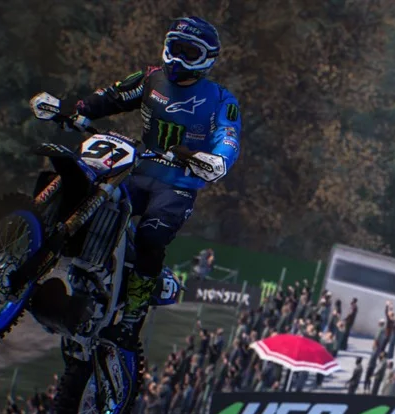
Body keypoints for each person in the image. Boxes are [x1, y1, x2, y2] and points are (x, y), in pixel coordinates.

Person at [31, 16, 241, 346]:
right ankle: (42, 253)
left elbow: (228, 136)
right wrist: (74, 109)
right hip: (137, 167)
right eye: (175, 48)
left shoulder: (221, 99)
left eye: (190, 52)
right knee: (87, 187)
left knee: (151, 237)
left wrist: (218, 159)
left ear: (207, 59)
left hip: (179, 182)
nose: (179, 58)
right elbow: (110, 97)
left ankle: (131, 321)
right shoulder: (150, 78)